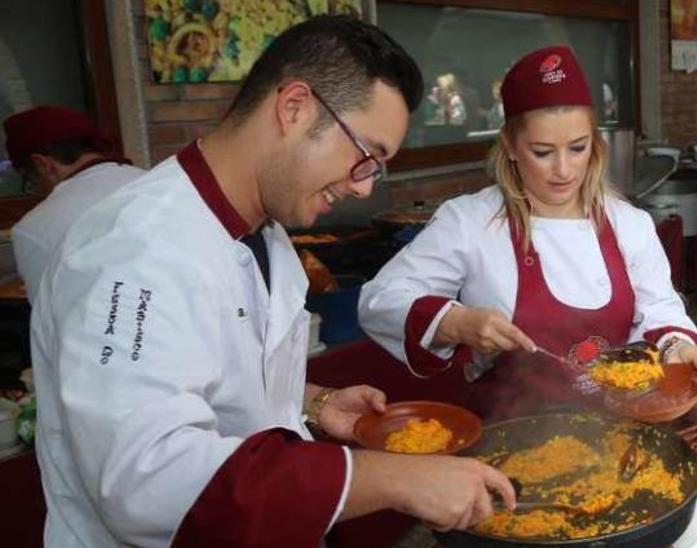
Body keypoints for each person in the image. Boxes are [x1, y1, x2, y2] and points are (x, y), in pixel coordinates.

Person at [30, 17, 514, 546]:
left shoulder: (268, 236)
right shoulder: (133, 249)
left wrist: (310, 402)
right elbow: (142, 478)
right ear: (294, 108)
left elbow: (207, 376)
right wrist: (390, 477)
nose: (363, 187)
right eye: (365, 156)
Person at [359, 46, 697, 421]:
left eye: (577, 148)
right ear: (511, 146)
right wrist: (455, 322)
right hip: (510, 432)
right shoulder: (471, 222)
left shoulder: (629, 224)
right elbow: (380, 300)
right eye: (543, 152)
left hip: (619, 429)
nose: (563, 170)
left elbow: (659, 307)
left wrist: (677, 346)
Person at [6, 106, 145, 298]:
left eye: (30, 180)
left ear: (42, 165)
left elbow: (48, 319)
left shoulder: (34, 228)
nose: (37, 190)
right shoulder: (160, 183)